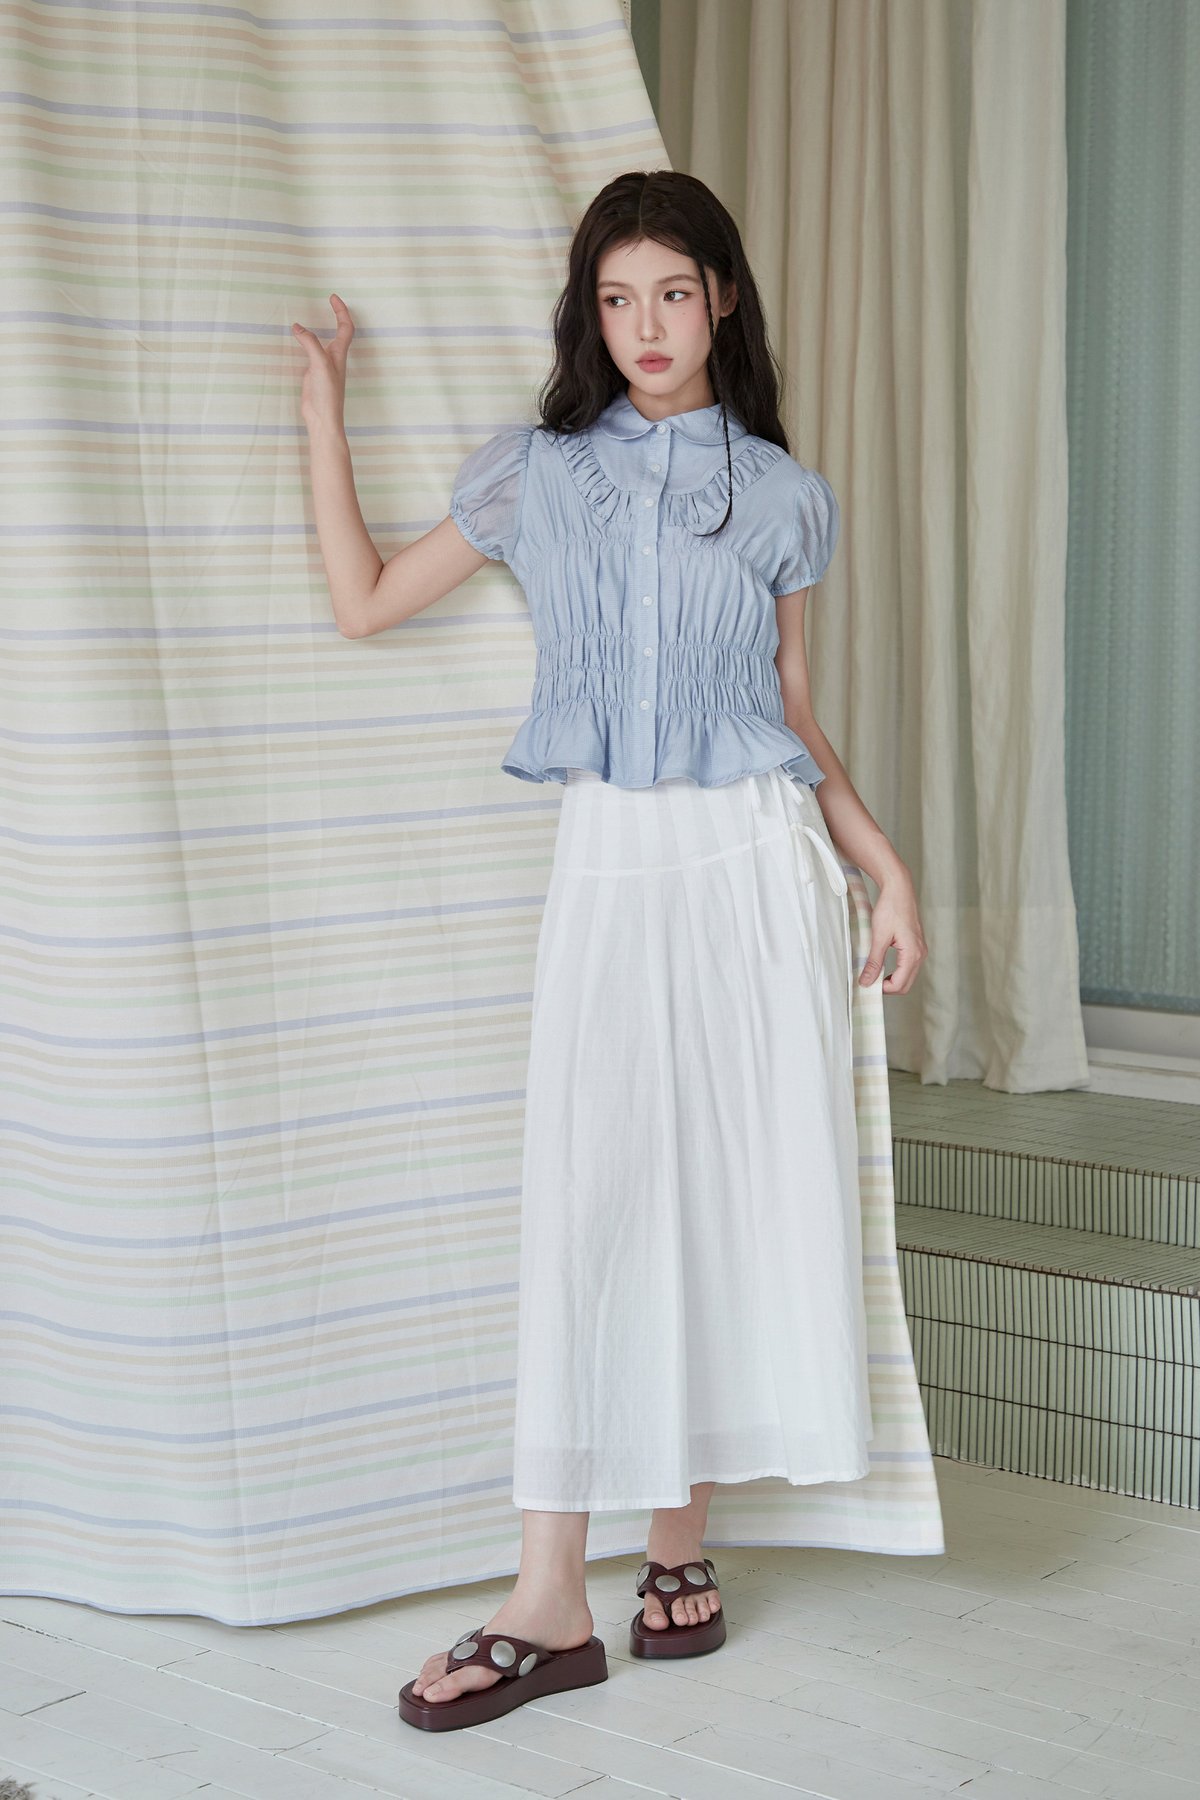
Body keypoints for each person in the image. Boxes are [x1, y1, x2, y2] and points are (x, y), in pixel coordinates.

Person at [292, 169, 929, 1735]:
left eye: (674, 292)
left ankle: (676, 1536)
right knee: (595, 1197)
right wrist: (323, 406)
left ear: (723, 300)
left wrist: (884, 866)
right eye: (618, 296)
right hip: (610, 860)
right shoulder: (538, 475)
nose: (647, 324)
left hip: (754, 867)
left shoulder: (780, 493)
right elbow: (363, 602)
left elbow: (788, 714)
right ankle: (549, 1595)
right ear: (592, 312)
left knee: (717, 1187)